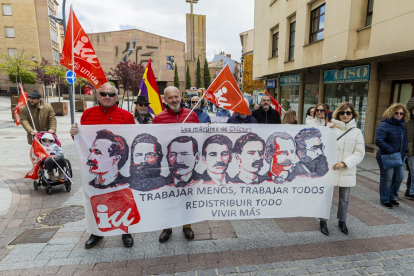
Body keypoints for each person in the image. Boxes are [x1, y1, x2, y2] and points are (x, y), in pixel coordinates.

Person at [69, 82, 135, 249]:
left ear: (116, 97)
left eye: (111, 94)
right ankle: (96, 232)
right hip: (94, 170)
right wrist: (74, 135)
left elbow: (133, 139)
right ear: (98, 96)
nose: (107, 97)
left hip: (118, 168)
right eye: (104, 94)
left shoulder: (126, 116)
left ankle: (125, 231)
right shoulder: (88, 114)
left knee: (122, 198)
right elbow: (83, 143)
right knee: (94, 199)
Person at [152, 86, 199, 243]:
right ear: (165, 100)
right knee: (169, 197)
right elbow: (155, 143)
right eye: (170, 97)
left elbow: (199, 138)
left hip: (187, 166)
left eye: (176, 96)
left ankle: (187, 226)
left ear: (181, 97)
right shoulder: (158, 119)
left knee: (187, 196)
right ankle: (167, 228)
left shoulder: (192, 115)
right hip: (168, 165)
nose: (174, 100)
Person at [319, 102, 365, 236]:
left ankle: (342, 221)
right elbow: (321, 147)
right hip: (330, 169)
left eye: (348, 113)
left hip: (346, 170)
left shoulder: (357, 132)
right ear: (338, 114)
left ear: (353, 115)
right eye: (342, 112)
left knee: (344, 198)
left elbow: (359, 153)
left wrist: (344, 163)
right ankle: (323, 221)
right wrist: (328, 130)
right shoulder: (330, 128)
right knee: (326, 196)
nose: (345, 115)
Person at [375, 103, 409, 209]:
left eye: (401, 113)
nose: (399, 115)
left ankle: (392, 196)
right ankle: (385, 199)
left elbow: (404, 140)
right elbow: (379, 140)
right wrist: (391, 150)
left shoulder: (401, 126)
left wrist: (405, 149)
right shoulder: (384, 125)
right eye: (396, 113)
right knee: (387, 178)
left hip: (398, 156)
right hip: (386, 155)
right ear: (391, 112)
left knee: (400, 176)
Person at [404, 97, 414, 200]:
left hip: (413, 152)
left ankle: (410, 191)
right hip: (404, 150)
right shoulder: (405, 120)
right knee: (398, 175)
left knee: (413, 172)